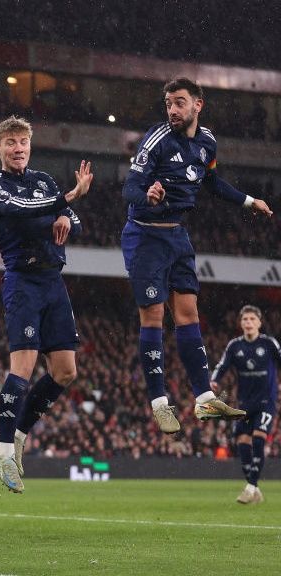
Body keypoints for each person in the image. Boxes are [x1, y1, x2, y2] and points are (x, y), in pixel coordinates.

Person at [122, 77, 273, 433]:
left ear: (197, 105)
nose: (172, 110)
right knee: (154, 316)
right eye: (169, 104)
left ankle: (204, 399)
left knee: (189, 314)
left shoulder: (207, 142)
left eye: (179, 102)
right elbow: (129, 186)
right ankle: (159, 403)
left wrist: (250, 201)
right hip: (145, 237)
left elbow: (212, 182)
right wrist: (149, 196)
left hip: (177, 236)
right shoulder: (157, 138)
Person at [0, 116, 91, 493]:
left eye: (23, 142)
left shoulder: (44, 180)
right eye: (10, 142)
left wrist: (65, 215)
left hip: (53, 282)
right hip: (23, 283)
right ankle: (2, 450)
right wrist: (66, 200)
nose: (18, 149)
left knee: (65, 371)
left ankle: (20, 435)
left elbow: (74, 224)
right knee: (24, 369)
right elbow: (24, 212)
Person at [209, 305, 281, 504]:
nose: (248, 322)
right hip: (244, 403)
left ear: (259, 322)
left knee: (259, 437)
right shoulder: (235, 346)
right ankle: (254, 487)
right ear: (240, 323)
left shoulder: (269, 343)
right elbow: (222, 365)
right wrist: (214, 380)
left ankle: (250, 487)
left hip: (266, 401)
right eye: (245, 319)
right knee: (241, 442)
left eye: (252, 319)